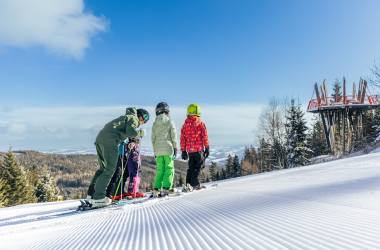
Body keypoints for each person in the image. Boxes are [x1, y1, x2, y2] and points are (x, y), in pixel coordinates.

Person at [87, 108, 149, 207]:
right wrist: (141, 133)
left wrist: (121, 138)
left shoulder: (125, 118)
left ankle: (91, 195)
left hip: (100, 139)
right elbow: (131, 132)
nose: (144, 121)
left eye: (147, 119)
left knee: (103, 169)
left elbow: (113, 128)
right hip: (110, 141)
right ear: (139, 115)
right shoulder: (133, 118)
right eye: (145, 117)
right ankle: (98, 198)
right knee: (110, 169)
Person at [180, 104, 210, 189]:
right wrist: (207, 147)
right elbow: (205, 137)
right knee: (199, 167)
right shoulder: (201, 124)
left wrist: (183, 151)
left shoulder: (185, 126)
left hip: (190, 151)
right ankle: (195, 185)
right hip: (199, 150)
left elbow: (182, 139)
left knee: (191, 168)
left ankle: (188, 184)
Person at [151, 102, 178, 195]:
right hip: (168, 149)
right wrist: (176, 148)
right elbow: (174, 136)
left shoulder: (154, 124)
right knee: (169, 168)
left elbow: (153, 139)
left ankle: (157, 189)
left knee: (160, 169)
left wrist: (155, 150)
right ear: (167, 111)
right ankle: (167, 187)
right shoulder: (170, 122)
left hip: (158, 150)